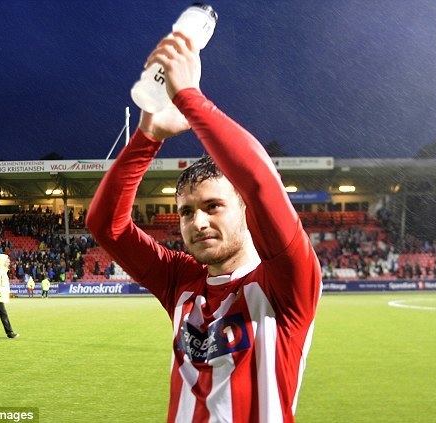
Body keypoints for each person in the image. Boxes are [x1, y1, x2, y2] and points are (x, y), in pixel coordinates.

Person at [86, 32, 321, 422]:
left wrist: (190, 97)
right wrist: (148, 135)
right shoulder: (180, 280)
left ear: (244, 208)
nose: (198, 222)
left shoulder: (286, 281)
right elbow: (107, 226)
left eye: (213, 206)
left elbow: (260, 182)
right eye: (186, 212)